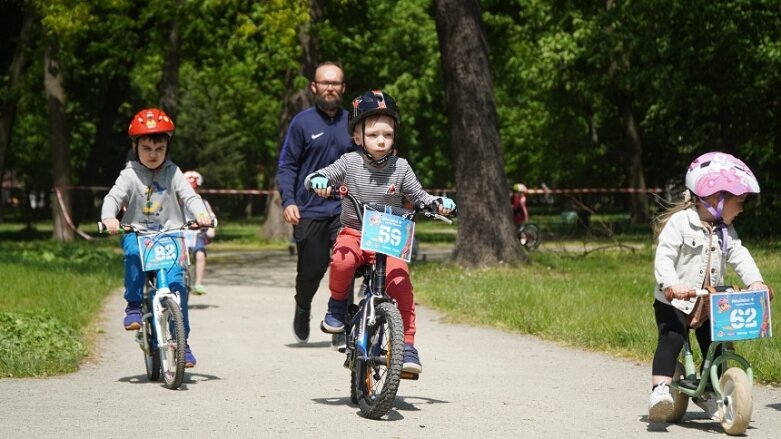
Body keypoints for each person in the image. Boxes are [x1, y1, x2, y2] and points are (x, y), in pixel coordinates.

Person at [306, 90, 456, 374]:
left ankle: (407, 346)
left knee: (401, 285)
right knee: (342, 260)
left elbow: (420, 195)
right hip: (354, 232)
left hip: (390, 237)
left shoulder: (401, 167)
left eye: (388, 134)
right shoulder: (349, 162)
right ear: (358, 136)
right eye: (374, 134)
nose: (382, 140)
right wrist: (319, 181)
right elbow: (319, 175)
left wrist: (437, 204)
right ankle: (337, 305)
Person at [648, 151, 769, 422]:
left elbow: (739, 254)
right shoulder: (681, 223)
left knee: (718, 343)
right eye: (738, 202)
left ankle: (713, 391)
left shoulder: (725, 230)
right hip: (675, 301)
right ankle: (660, 390)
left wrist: (756, 282)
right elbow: (665, 256)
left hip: (708, 301)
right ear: (716, 198)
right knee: (673, 339)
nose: (741, 208)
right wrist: (671, 284)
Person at [101, 108, 212, 368]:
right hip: (137, 233)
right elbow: (113, 198)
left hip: (170, 235)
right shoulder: (129, 175)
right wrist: (109, 217)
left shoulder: (173, 173)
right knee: (132, 256)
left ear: (167, 148)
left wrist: (201, 213)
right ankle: (133, 305)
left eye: (159, 149)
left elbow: (190, 197)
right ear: (135, 147)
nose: (153, 155)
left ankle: (182, 345)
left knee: (177, 289)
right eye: (147, 148)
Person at [277, 61, 355, 344]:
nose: (330, 88)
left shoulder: (354, 122)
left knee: (345, 262)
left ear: (343, 88)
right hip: (309, 208)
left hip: (345, 207)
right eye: (325, 83)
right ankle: (303, 304)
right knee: (311, 271)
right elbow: (287, 165)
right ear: (315, 87)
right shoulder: (302, 122)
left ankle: (342, 325)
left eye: (335, 83)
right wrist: (288, 201)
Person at [183, 170, 218, 295]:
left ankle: (198, 283)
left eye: (195, 189)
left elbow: (212, 218)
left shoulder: (203, 203)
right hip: (180, 234)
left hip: (197, 233)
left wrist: (211, 228)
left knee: (200, 255)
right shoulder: (176, 203)